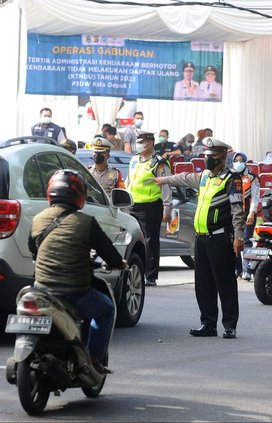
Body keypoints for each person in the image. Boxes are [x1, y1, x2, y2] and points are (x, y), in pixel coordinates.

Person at [28, 169, 127, 371]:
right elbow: (109, 253)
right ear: (79, 195)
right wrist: (120, 263)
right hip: (74, 291)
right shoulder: (85, 222)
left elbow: (33, 249)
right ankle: (92, 360)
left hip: (41, 289)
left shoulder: (38, 219)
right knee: (106, 309)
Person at [155, 137, 245, 338]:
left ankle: (230, 325)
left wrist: (239, 237)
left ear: (222, 157)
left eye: (212, 156)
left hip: (220, 238)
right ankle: (208, 324)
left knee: (225, 283)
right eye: (207, 156)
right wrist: (164, 180)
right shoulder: (204, 176)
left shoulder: (232, 179)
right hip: (201, 239)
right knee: (203, 284)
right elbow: (185, 178)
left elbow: (237, 210)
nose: (208, 160)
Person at [126, 130, 172, 286]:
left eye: (141, 141)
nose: (138, 144)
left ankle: (151, 276)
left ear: (150, 143)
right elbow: (129, 182)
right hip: (133, 205)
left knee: (150, 242)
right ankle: (134, 271)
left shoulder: (158, 162)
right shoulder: (134, 160)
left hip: (150, 206)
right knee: (131, 240)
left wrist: (167, 207)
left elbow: (166, 185)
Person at [231, 152, 260, 280]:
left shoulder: (253, 177)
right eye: (236, 160)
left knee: (247, 241)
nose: (238, 162)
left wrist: (252, 212)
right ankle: (237, 269)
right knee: (235, 241)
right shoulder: (231, 176)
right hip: (234, 214)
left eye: (241, 160)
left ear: (245, 162)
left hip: (248, 213)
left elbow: (255, 196)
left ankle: (247, 270)